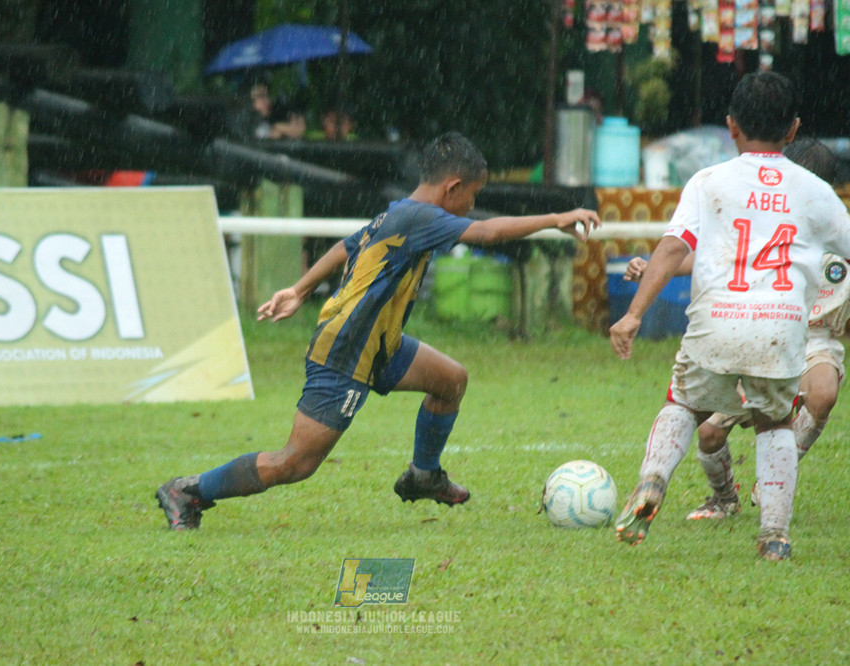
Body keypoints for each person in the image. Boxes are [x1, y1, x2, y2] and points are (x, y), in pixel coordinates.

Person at [155, 132, 601, 530]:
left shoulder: (401, 214)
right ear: (452, 188)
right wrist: (554, 218)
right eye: (472, 195)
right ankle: (189, 490)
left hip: (381, 344)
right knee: (294, 463)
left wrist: (299, 289)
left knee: (451, 380)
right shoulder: (420, 218)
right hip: (345, 351)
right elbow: (486, 232)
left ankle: (423, 475)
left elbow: (346, 246)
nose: (471, 206)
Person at [608, 72, 850, 560]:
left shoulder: (708, 181)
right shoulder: (815, 190)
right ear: (793, 129)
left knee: (683, 403)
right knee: (774, 425)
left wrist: (633, 314)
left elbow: (673, 248)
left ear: (731, 125)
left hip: (715, 322)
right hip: (780, 328)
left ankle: (652, 481)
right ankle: (773, 535)